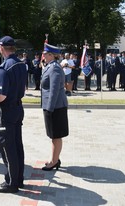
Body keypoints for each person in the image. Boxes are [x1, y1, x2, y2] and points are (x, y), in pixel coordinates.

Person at [0, 36, 27, 193]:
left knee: (7, 147)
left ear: (2, 48)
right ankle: (19, 179)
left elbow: (1, 96)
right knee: (17, 145)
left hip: (6, 111)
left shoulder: (4, 68)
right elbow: (14, 82)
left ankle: (11, 182)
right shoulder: (20, 65)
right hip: (17, 109)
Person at [40, 43, 69, 171]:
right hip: (52, 106)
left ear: (52, 55)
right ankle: (55, 158)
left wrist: (50, 108)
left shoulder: (54, 68)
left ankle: (54, 161)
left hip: (55, 107)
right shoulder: (50, 66)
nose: (43, 56)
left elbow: (54, 90)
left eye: (45, 54)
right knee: (54, 135)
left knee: (56, 135)